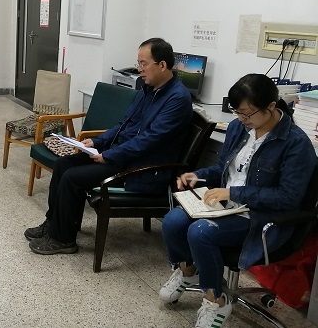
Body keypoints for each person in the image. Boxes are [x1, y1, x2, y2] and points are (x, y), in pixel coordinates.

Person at [159, 73, 315, 328]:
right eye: (237, 112)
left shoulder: (295, 144)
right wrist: (198, 175)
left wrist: (233, 194)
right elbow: (224, 168)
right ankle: (187, 272)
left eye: (247, 113)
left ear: (271, 107)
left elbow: (288, 198)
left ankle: (216, 300)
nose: (241, 119)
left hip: (260, 217)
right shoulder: (238, 128)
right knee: (172, 221)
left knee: (200, 232)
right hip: (226, 204)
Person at [25, 38, 193, 255]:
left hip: (142, 167)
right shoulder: (148, 90)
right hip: (124, 155)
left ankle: (63, 239)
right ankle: (53, 223)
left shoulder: (177, 99)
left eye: (144, 64)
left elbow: (149, 140)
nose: (139, 69)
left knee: (72, 178)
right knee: (63, 164)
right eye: (138, 63)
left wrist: (110, 155)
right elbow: (124, 124)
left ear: (162, 65)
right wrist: (98, 142)